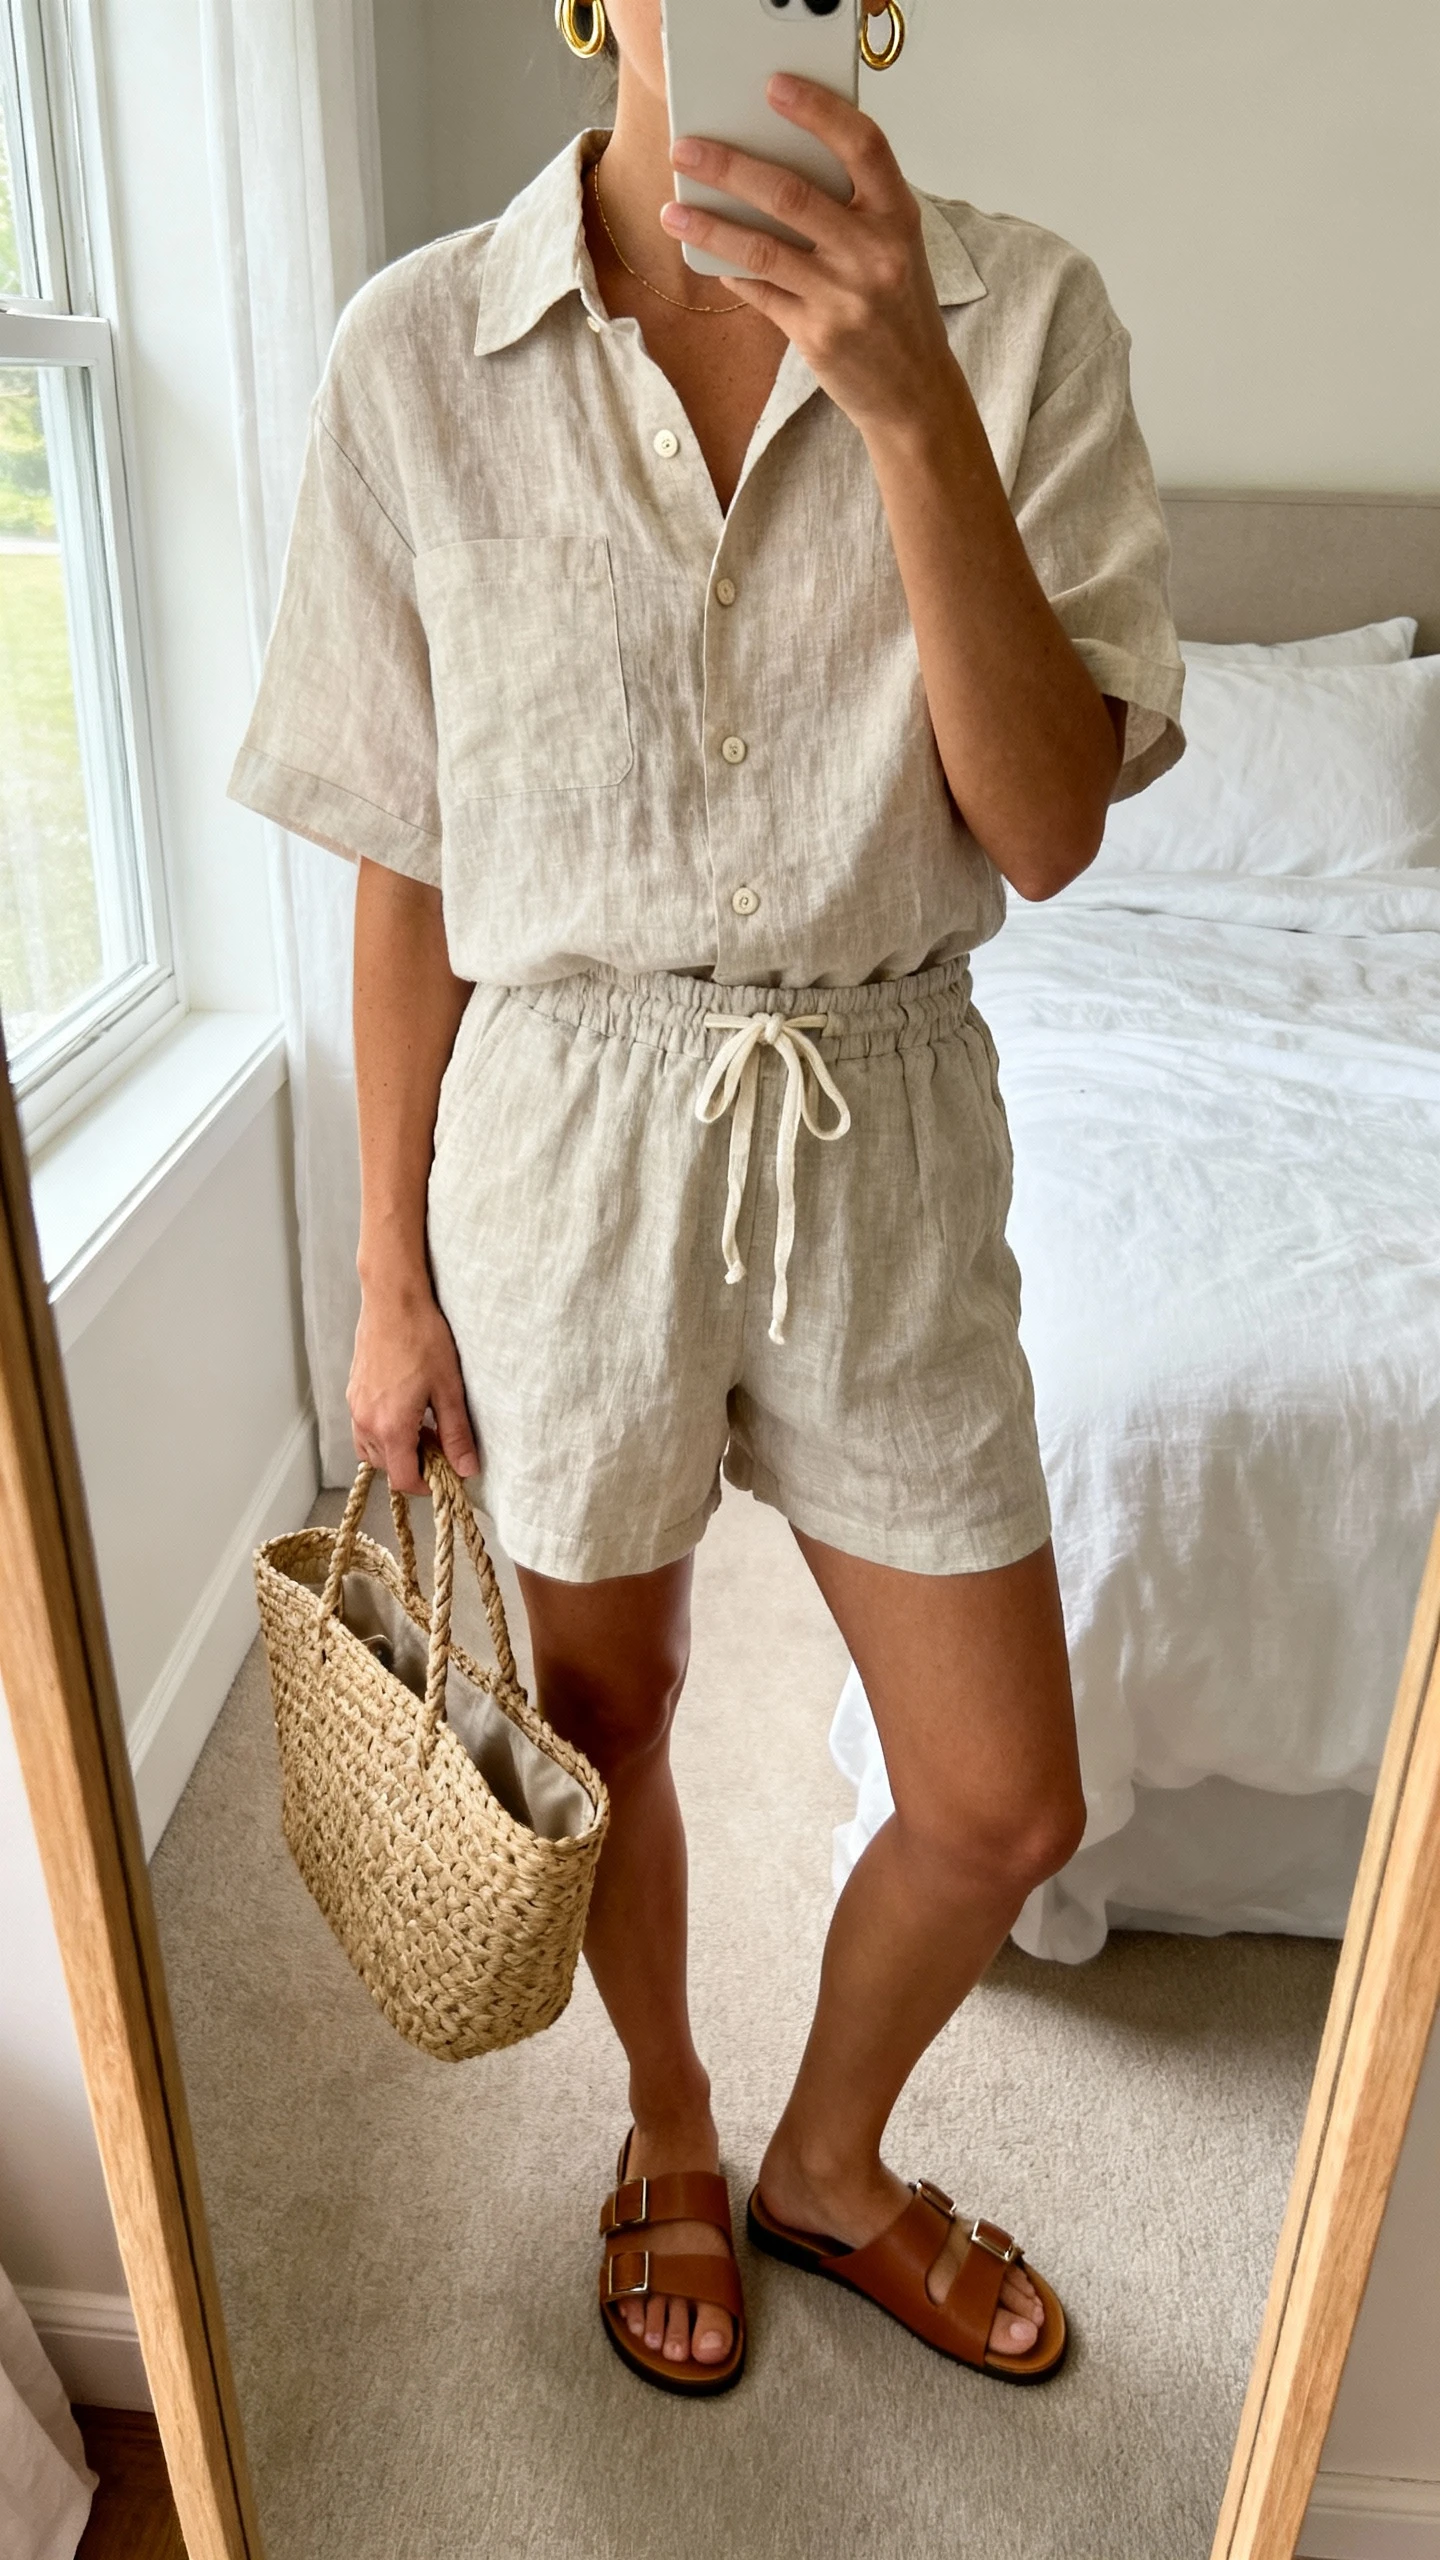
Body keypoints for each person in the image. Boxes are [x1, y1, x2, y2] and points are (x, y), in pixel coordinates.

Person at [228, 0, 1184, 2399]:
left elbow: (1049, 825)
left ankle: (829, 2158)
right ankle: (667, 2113)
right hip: (558, 1131)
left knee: (1002, 1795)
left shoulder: (1026, 318)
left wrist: (906, 399)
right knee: (606, 1707)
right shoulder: (419, 351)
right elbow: (402, 857)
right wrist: (384, 1277)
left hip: (881, 1114)